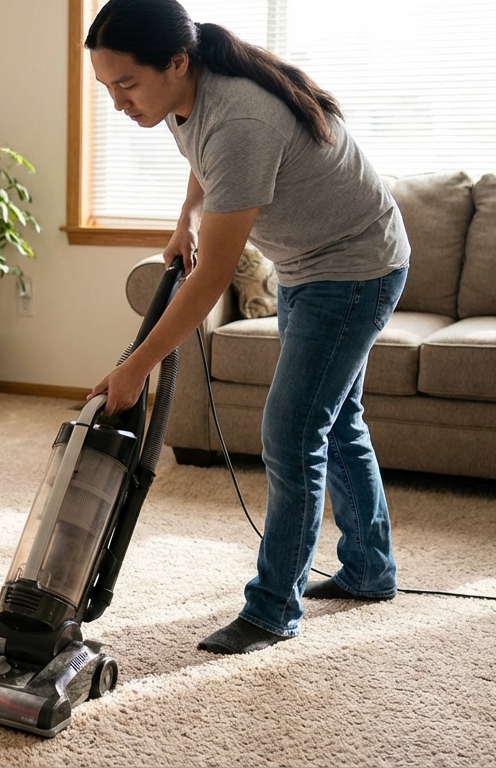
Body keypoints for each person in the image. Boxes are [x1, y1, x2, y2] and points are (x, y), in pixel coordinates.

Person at [85, 0, 411, 655]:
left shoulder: (240, 116)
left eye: (126, 83)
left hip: (353, 269)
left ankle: (271, 611)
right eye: (105, 87)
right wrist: (183, 223)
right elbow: (200, 156)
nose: (118, 102)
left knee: (292, 433)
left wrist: (135, 365)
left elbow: (212, 281)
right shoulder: (187, 97)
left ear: (177, 62)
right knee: (336, 420)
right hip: (309, 265)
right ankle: (371, 570)